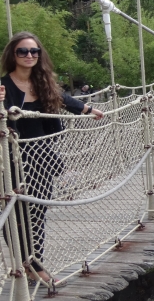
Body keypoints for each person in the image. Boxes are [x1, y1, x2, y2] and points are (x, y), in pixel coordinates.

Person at [0, 31, 104, 286]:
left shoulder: (42, 81)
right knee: (13, 212)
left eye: (34, 51)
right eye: (23, 51)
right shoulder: (3, 85)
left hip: (42, 156)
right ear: (12, 55)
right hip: (12, 158)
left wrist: (88, 109)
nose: (29, 56)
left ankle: (33, 263)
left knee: (37, 212)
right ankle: (32, 266)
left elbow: (62, 99)